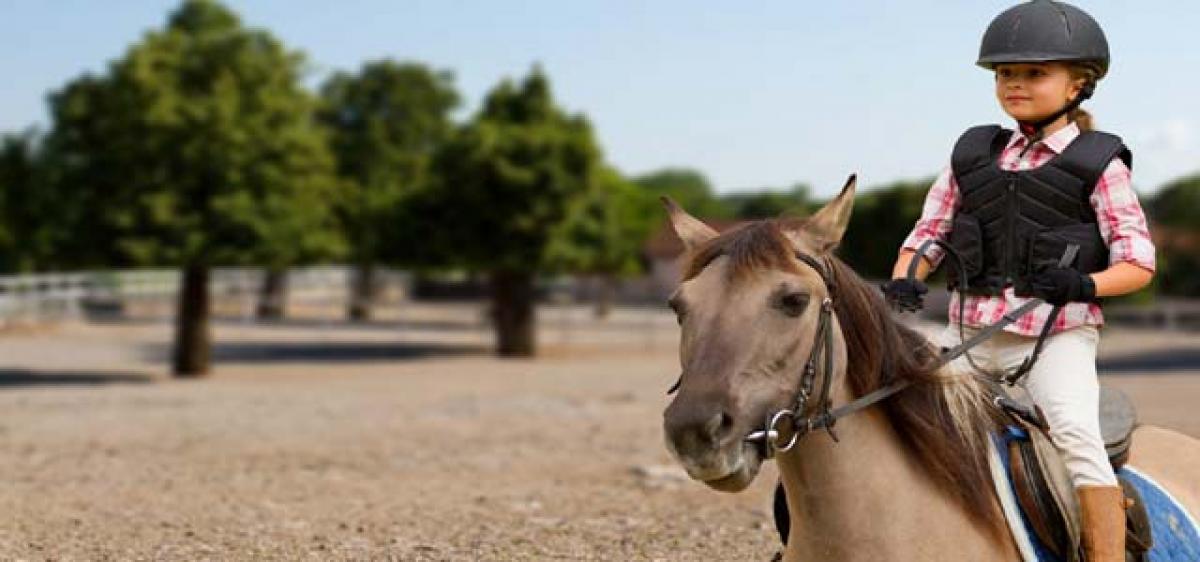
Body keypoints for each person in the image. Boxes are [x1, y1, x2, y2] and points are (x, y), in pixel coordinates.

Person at [882, 1, 1155, 560]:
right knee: (886, 411)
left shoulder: (1100, 164)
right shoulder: (971, 155)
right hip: (967, 337)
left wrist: (1085, 285)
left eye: (1034, 73)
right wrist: (908, 277)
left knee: (1079, 442)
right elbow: (928, 234)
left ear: (1078, 84)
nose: (1016, 84)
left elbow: (1138, 261)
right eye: (1007, 73)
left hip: (1054, 340)